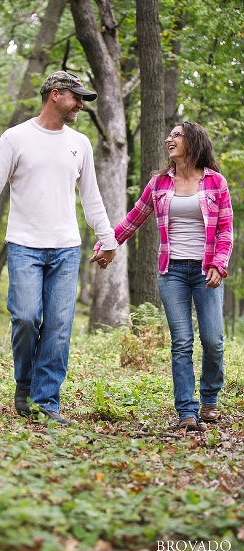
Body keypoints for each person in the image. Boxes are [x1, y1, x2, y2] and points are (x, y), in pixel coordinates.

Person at [0, 71, 117, 425]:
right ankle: (25, 383)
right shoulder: (15, 138)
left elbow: (92, 197)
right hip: (24, 246)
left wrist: (108, 239)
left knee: (58, 326)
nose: (81, 104)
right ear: (55, 94)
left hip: (66, 249)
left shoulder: (80, 143)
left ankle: (46, 401)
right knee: (24, 317)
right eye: (76, 97)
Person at [91, 121, 233, 431]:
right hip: (172, 273)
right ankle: (187, 411)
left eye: (177, 135)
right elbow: (133, 219)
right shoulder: (159, 184)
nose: (170, 139)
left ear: (193, 142)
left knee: (213, 341)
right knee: (181, 342)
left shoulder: (216, 183)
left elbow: (225, 229)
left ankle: (209, 398)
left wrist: (219, 265)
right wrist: (106, 244)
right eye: (169, 135)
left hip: (205, 269)